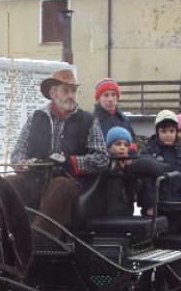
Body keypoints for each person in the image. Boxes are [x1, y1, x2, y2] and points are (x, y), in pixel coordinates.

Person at [10, 69, 109, 229]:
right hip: (35, 179)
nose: (71, 95)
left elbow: (102, 158)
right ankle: (3, 235)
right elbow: (16, 156)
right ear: (53, 92)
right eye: (66, 90)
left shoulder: (88, 120)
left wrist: (71, 162)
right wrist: (30, 163)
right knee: (8, 184)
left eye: (73, 91)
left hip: (71, 181)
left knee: (58, 187)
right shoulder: (35, 118)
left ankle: (39, 243)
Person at [139, 110, 181, 232]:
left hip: (178, 209)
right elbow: (145, 182)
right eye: (163, 131)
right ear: (157, 132)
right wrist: (149, 205)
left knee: (180, 243)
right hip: (157, 209)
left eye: (172, 131)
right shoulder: (148, 153)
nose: (168, 135)